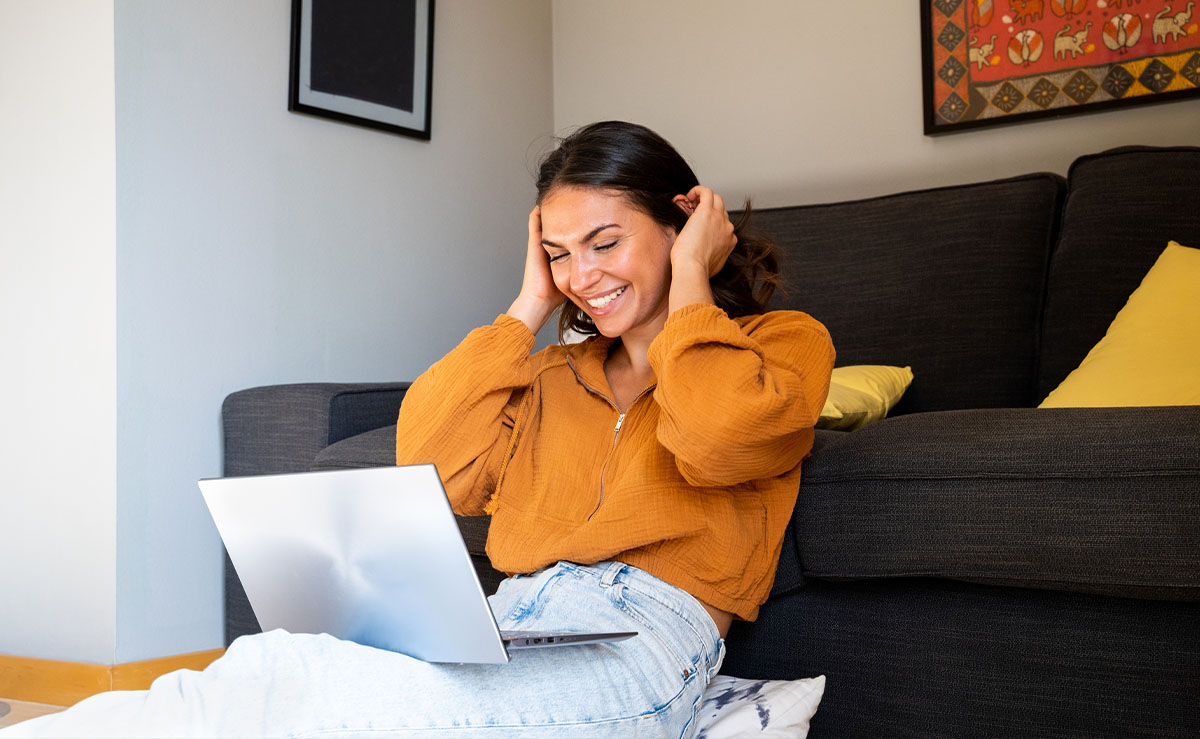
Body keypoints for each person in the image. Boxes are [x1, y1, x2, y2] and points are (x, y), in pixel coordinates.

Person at [3, 121, 834, 739]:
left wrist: (691, 282)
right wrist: (527, 308)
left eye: (605, 242)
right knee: (273, 663)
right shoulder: (549, 373)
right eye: (558, 253)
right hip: (513, 617)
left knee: (342, 704)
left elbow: (722, 438)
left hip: (652, 643)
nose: (583, 275)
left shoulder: (779, 348)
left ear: (681, 223)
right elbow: (432, 463)